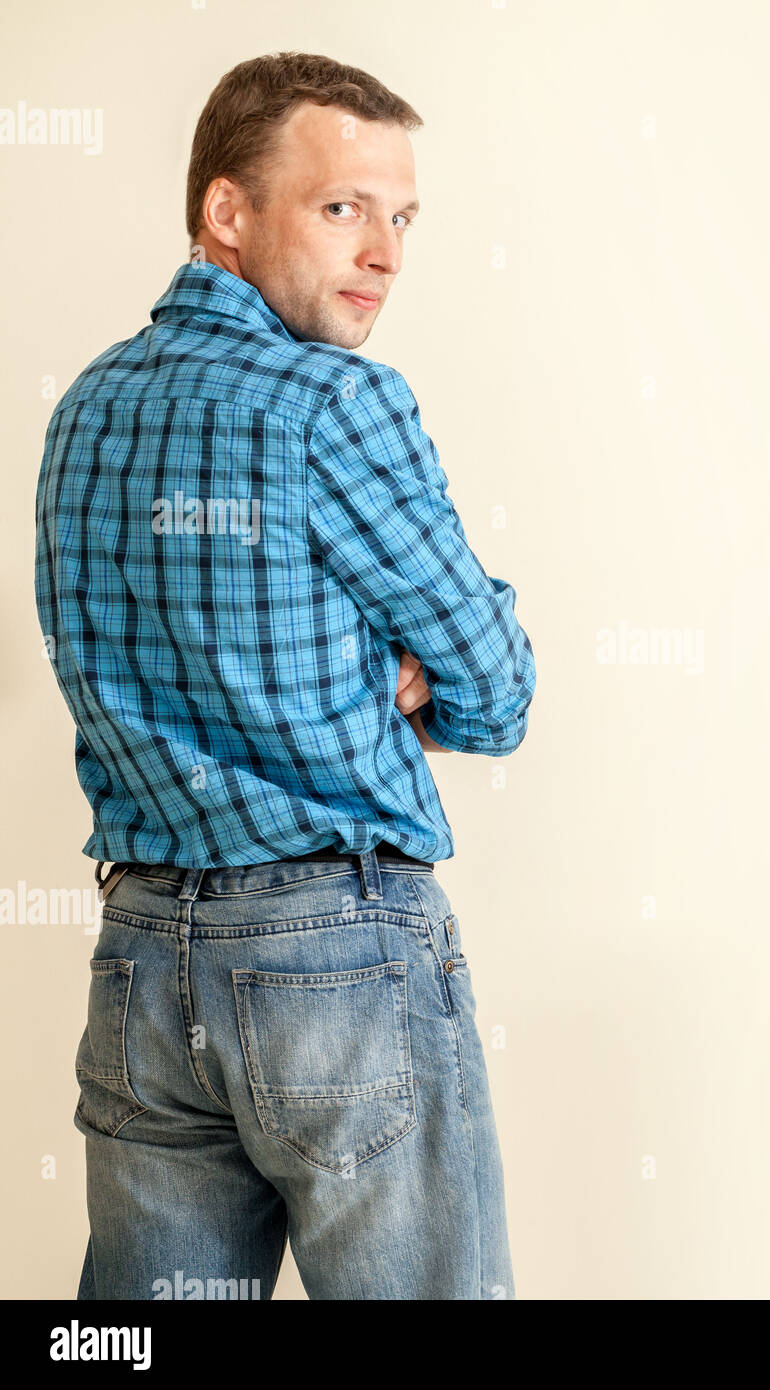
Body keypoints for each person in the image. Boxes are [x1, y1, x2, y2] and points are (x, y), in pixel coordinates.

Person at [33, 52, 535, 1300]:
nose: (385, 252)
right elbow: (499, 687)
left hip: (143, 962)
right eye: (342, 207)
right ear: (226, 211)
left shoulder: (82, 409)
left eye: (400, 215)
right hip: (339, 964)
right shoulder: (332, 405)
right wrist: (395, 672)